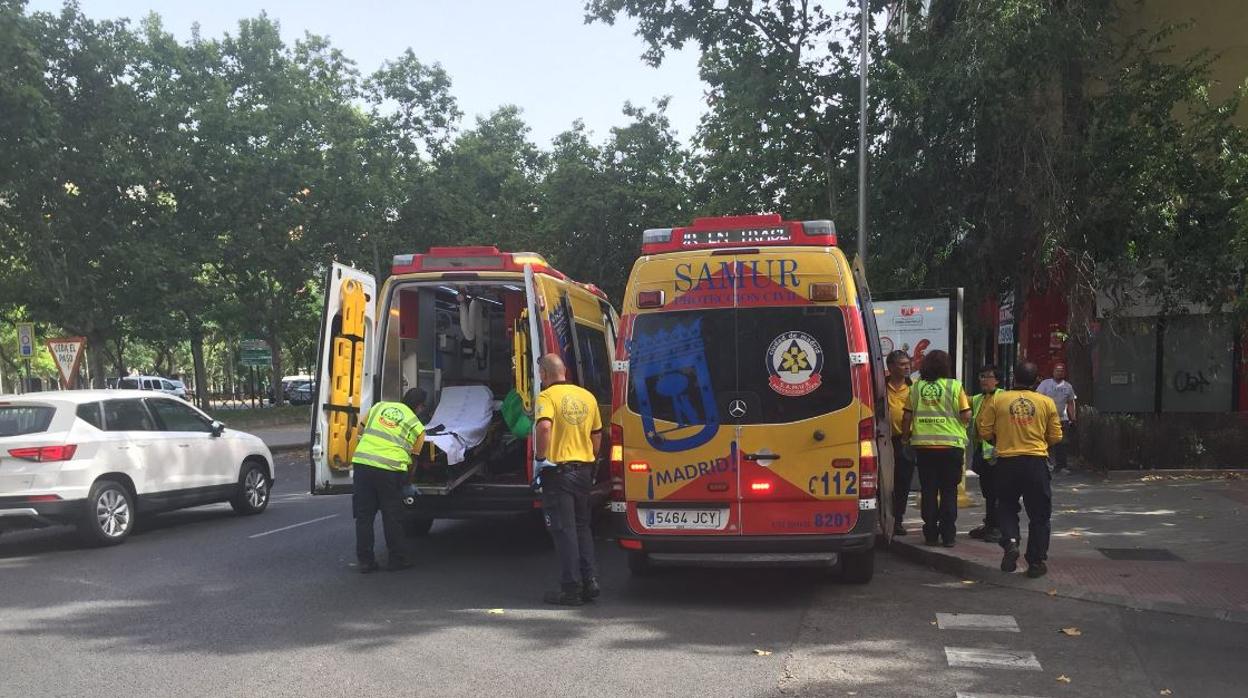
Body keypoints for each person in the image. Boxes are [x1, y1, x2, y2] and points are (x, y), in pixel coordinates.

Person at [977, 361, 1063, 578]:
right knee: (1040, 515)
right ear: (1037, 381)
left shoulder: (998, 399)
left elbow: (984, 430)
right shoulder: (1046, 402)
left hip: (1007, 462)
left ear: (1013, 378)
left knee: (1005, 506)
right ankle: (1035, 562)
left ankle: (1011, 542)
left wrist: (1001, 438)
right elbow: (1056, 436)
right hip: (1036, 463)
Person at [533, 353, 603, 606]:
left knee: (564, 530)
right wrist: (592, 460)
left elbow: (543, 427)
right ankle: (590, 581)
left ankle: (570, 588)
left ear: (543, 375)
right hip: (583, 471)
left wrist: (540, 458)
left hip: (558, 472)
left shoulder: (546, 397)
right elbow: (597, 434)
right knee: (583, 528)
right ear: (564, 372)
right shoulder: (587, 397)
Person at [351, 388, 427, 573]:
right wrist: (407, 482)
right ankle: (397, 560)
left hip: (362, 464)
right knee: (392, 516)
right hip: (390, 471)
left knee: (364, 516)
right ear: (419, 407)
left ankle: (366, 562)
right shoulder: (417, 426)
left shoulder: (379, 407)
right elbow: (414, 460)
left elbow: (360, 431)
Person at [901, 350, 971, 548]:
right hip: (951, 447)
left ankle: (930, 533)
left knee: (929, 490)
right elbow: (965, 415)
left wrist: (905, 439)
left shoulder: (916, 388)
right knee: (949, 490)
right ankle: (948, 535)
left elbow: (906, 417)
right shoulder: (954, 386)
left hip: (924, 448)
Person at [968, 365, 1003, 543]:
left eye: (987, 376)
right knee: (988, 490)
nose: (982, 380)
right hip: (983, 449)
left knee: (996, 490)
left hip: (998, 450)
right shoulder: (978, 399)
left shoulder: (1002, 397)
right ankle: (990, 523)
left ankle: (996, 527)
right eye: (981, 376)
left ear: (997, 380)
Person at [885, 350, 915, 536]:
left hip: (906, 440)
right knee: (884, 482)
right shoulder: (880, 386)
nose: (907, 367)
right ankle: (884, 517)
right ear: (890, 367)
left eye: (907, 363)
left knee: (902, 482)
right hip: (884, 440)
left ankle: (898, 519)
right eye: (902, 364)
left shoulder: (913, 388)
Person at [1037, 363, 1077, 474]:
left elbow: (1070, 402)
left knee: (1062, 442)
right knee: (1044, 441)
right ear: (1053, 371)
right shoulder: (1045, 384)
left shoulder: (1068, 386)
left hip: (1062, 418)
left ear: (1064, 372)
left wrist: (1073, 417)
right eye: (1057, 370)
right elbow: (1038, 399)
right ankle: (1044, 464)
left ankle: (1061, 466)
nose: (1059, 372)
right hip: (1045, 418)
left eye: (1061, 370)